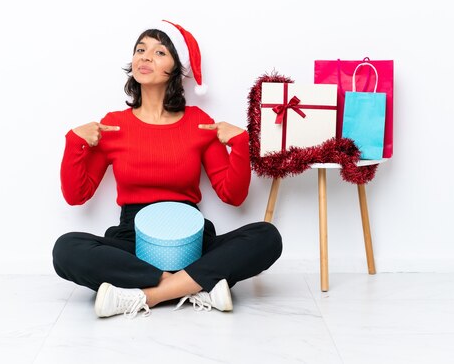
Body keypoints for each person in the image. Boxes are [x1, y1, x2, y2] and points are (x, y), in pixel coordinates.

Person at [52, 20, 283, 318]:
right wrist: (74, 143)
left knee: (267, 237)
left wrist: (240, 144)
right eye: (140, 49)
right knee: (66, 249)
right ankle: (197, 285)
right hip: (132, 239)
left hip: (192, 239)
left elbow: (233, 196)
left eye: (160, 52)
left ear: (176, 69)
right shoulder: (114, 124)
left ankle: (145, 295)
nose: (145, 57)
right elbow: (76, 195)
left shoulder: (199, 122)